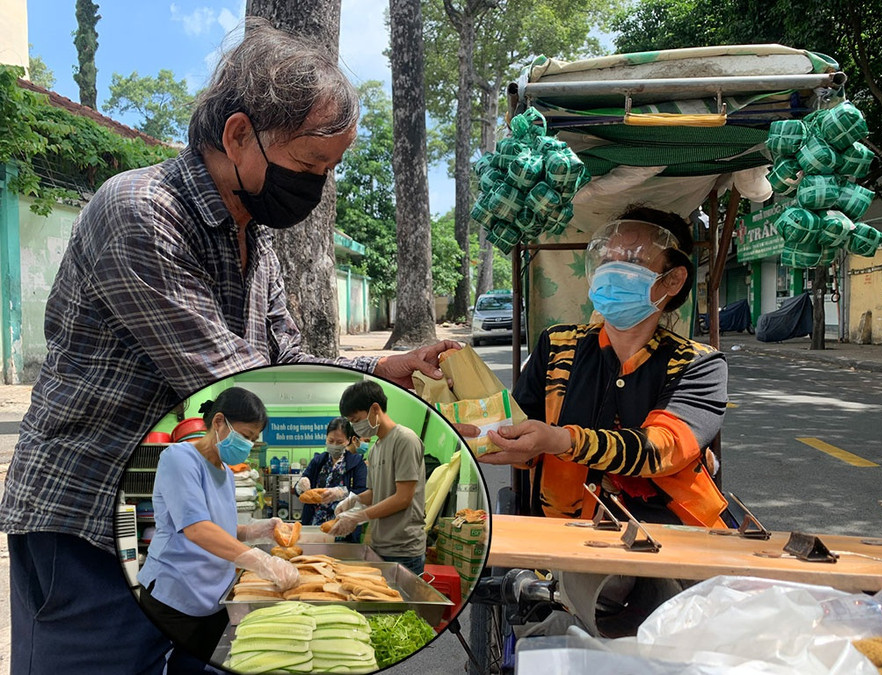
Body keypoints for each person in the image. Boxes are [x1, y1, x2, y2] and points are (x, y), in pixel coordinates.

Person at [0, 18, 457, 675]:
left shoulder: (255, 236)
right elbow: (234, 380)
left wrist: (381, 367)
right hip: (91, 526)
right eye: (308, 164)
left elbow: (285, 359)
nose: (317, 187)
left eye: (329, 170)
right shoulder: (140, 213)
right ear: (239, 134)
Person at [480, 207, 731, 529]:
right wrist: (496, 440)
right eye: (606, 260)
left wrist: (561, 440)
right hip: (563, 528)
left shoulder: (698, 363)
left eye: (633, 261)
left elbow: (663, 448)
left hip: (669, 532)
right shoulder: (557, 345)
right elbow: (526, 433)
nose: (612, 271)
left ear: (673, 279)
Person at [137, 387, 299, 667]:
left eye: (253, 439)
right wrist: (261, 561)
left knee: (202, 663)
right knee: (170, 665)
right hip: (176, 594)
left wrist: (254, 530)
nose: (248, 445)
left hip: (215, 594)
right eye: (246, 436)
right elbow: (197, 529)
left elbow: (218, 525)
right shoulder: (180, 459)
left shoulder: (223, 470)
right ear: (219, 422)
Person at [330, 380, 427, 575]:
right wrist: (353, 500)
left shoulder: (405, 440)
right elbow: (375, 493)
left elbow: (403, 498)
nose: (355, 427)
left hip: (404, 550)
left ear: (375, 409)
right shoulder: (375, 449)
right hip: (380, 545)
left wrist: (359, 517)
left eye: (356, 420)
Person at [295, 417, 367, 532]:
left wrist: (342, 492)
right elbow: (300, 490)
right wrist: (300, 485)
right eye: (331, 441)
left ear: (348, 440)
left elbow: (363, 492)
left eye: (339, 442)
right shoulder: (318, 461)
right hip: (314, 526)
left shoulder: (356, 463)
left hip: (343, 526)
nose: (334, 445)